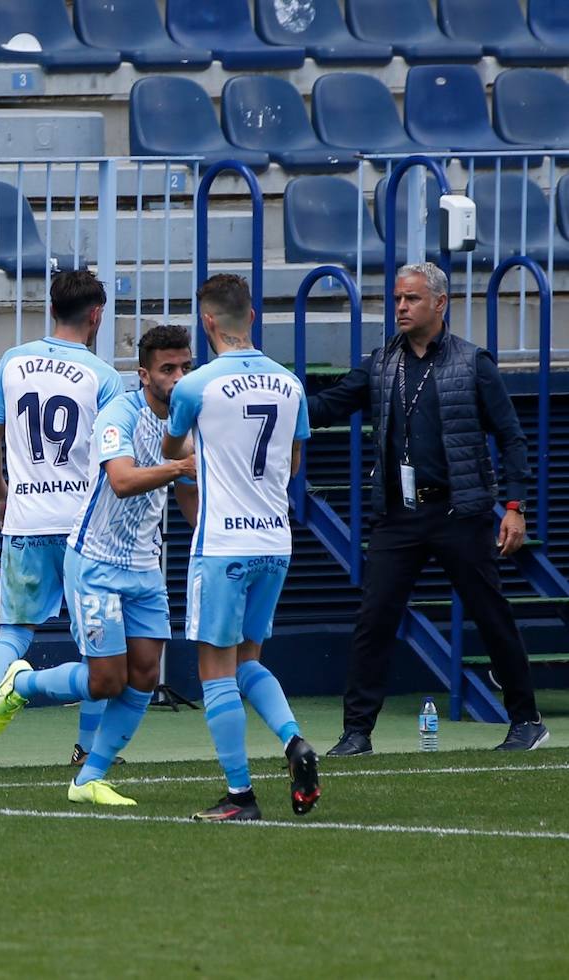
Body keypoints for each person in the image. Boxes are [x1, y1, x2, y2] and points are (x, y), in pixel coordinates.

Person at [307, 262, 548, 755]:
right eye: (397, 298)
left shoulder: (472, 362)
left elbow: (511, 436)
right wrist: (279, 395)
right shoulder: (380, 362)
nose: (400, 307)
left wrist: (515, 506)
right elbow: (330, 405)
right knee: (374, 620)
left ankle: (527, 720)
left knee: (492, 615)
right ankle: (357, 733)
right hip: (399, 513)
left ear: (439, 303)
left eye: (411, 299)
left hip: (461, 511)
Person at [0, 326, 197, 805]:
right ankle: (21, 684)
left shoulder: (187, 419)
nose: (179, 377)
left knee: (145, 673)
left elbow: (189, 497)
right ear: (144, 375)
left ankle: (89, 777)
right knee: (106, 680)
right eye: (168, 369)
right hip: (96, 560)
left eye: (186, 367)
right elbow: (121, 480)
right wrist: (181, 468)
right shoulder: (119, 412)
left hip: (144, 564)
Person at [162, 274, 320, 822]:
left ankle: (240, 796)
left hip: (222, 542)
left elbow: (173, 450)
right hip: (275, 540)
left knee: (214, 669)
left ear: (207, 321)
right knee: (250, 659)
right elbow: (293, 463)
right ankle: (295, 740)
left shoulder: (194, 385)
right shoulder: (291, 384)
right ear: (251, 317)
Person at [0, 270, 122, 773]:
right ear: (96, 314)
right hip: (83, 528)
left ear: (51, 307)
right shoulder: (103, 376)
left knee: (13, 634)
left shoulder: (12, 363)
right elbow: (112, 460)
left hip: (26, 518)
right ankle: (86, 748)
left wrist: (1, 495)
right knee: (95, 643)